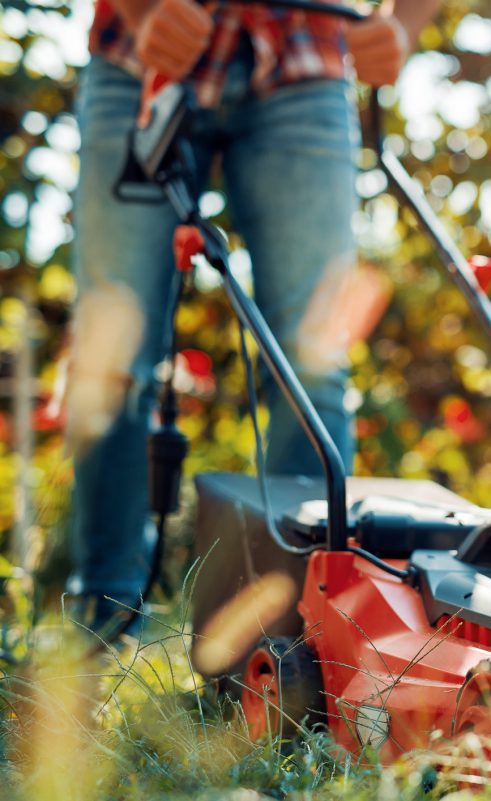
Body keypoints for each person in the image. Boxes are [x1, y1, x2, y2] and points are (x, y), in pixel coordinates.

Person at [69, 0, 437, 635]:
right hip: (142, 51)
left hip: (304, 56)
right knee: (114, 359)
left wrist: (404, 24)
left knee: (311, 359)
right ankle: (100, 631)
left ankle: (308, 636)